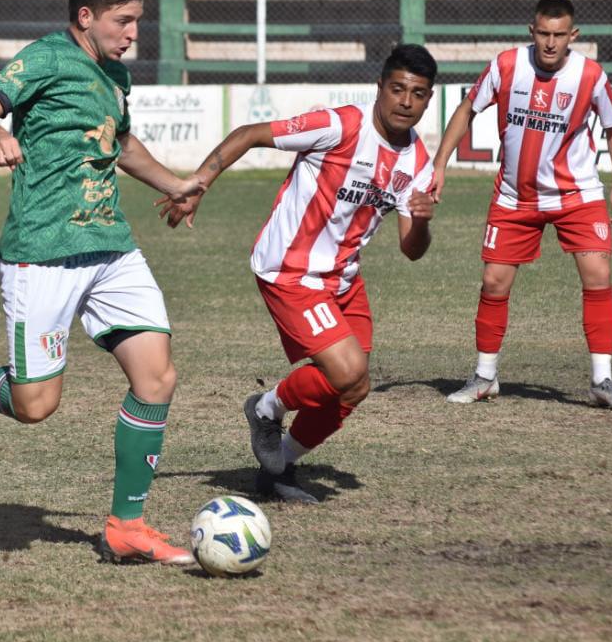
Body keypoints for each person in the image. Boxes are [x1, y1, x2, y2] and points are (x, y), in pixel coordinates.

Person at [0, 0, 202, 566]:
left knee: (157, 376)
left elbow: (121, 142)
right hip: (42, 253)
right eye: (123, 20)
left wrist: (174, 184)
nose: (133, 33)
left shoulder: (116, 76)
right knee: (36, 406)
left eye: (137, 21)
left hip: (111, 248)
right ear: (85, 17)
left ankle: (125, 526)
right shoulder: (46, 58)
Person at [159, 45, 439, 504]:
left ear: (428, 101)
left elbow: (412, 250)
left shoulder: (417, 163)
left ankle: (280, 467)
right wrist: (198, 185)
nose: (405, 101)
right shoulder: (340, 126)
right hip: (290, 270)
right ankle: (266, 409)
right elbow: (250, 133)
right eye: (397, 89)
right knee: (348, 371)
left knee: (354, 388)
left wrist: (423, 220)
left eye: (418, 94)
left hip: (343, 280)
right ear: (380, 88)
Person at [431, 0, 612, 410]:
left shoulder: (590, 75)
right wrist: (440, 164)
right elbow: (468, 109)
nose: (551, 43)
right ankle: (485, 376)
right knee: (494, 282)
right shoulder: (506, 65)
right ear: (532, 31)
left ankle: (602, 381)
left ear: (573, 35)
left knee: (597, 273)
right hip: (515, 196)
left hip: (577, 194)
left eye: (560, 35)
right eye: (544, 33)